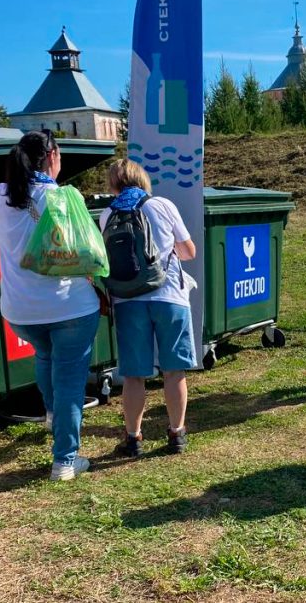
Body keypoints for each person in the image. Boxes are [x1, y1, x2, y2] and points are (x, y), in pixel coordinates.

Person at [0, 131, 99, 481]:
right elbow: (88, 254)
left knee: (45, 357)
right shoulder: (65, 198)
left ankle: (52, 415)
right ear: (52, 156)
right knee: (69, 379)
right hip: (71, 308)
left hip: (21, 312)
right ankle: (65, 459)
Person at [99, 159, 197, 457]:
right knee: (173, 370)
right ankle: (176, 434)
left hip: (128, 300)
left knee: (134, 375)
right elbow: (188, 251)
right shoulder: (162, 205)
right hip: (169, 297)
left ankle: (133, 438)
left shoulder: (107, 214)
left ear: (113, 184)